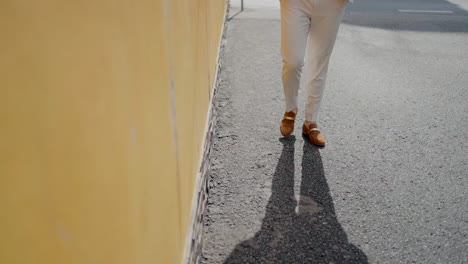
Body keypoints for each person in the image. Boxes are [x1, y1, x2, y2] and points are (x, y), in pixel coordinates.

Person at [279, 0, 350, 146]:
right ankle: (290, 109)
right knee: (293, 61)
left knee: (319, 63)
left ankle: (310, 121)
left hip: (332, 4)